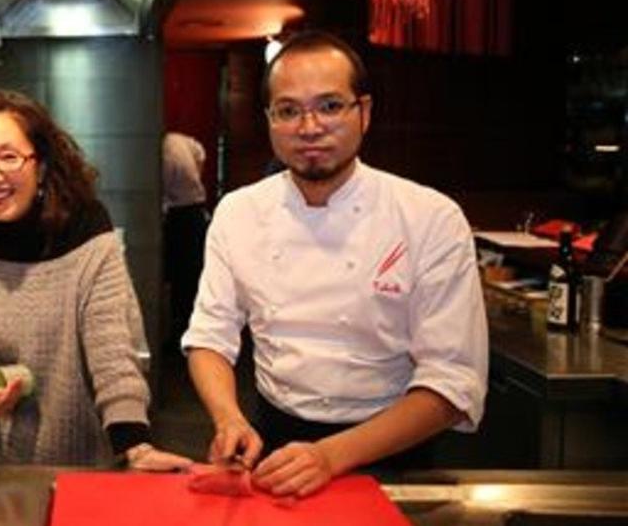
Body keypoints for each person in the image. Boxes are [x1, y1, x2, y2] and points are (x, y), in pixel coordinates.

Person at [183, 31, 488, 497]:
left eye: (329, 106)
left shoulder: (429, 217)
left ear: (363, 112)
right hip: (272, 445)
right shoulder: (239, 212)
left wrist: (330, 456)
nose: (309, 127)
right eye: (288, 111)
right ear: (269, 120)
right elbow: (209, 338)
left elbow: (452, 383)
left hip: (392, 451)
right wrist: (229, 419)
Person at [0, 90, 191, 470]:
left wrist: (136, 446)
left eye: (8, 156)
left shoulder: (91, 244)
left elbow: (113, 355)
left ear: (41, 166)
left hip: (81, 465)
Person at [162, 131, 209, 351]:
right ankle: (189, 331)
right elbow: (200, 152)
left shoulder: (164, 152)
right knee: (191, 277)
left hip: (180, 215)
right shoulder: (179, 139)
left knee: (181, 277)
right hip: (196, 210)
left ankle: (181, 334)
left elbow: (161, 189)